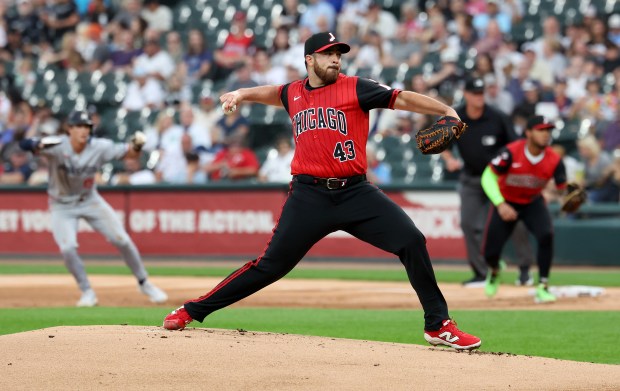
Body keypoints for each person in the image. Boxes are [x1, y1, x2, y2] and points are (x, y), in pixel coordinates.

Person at [163, 32, 481, 350]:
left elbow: (403, 98)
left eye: (338, 54)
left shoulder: (356, 87)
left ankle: (438, 324)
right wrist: (243, 93)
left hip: (356, 193)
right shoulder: (293, 93)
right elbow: (272, 94)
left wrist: (447, 111)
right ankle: (192, 310)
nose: (335, 59)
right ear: (309, 60)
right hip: (308, 196)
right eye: (328, 54)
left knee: (411, 241)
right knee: (269, 267)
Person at [19, 110, 167, 307]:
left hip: (90, 199)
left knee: (122, 240)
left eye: (87, 127)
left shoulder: (99, 146)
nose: (83, 130)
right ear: (69, 129)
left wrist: (138, 144)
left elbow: (129, 153)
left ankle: (144, 282)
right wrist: (34, 144)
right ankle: (87, 291)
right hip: (61, 205)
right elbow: (24, 144)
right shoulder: (56, 145)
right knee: (68, 248)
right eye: (79, 126)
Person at [442, 76, 535, 287]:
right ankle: (481, 273)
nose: (479, 97)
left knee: (515, 220)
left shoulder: (498, 117)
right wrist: (449, 159)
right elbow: (441, 143)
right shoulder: (457, 117)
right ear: (466, 95)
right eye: (475, 93)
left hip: (499, 179)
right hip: (472, 178)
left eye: (481, 93)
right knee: (467, 223)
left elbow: (515, 147)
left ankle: (524, 270)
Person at [481, 116, 568, 303]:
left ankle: (543, 285)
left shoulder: (554, 160)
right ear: (528, 132)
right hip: (506, 201)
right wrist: (500, 204)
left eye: (548, 130)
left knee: (546, 235)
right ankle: (495, 270)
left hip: (532, 201)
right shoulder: (511, 152)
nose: (546, 134)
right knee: (490, 253)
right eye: (541, 129)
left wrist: (568, 197)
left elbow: (563, 189)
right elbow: (487, 177)